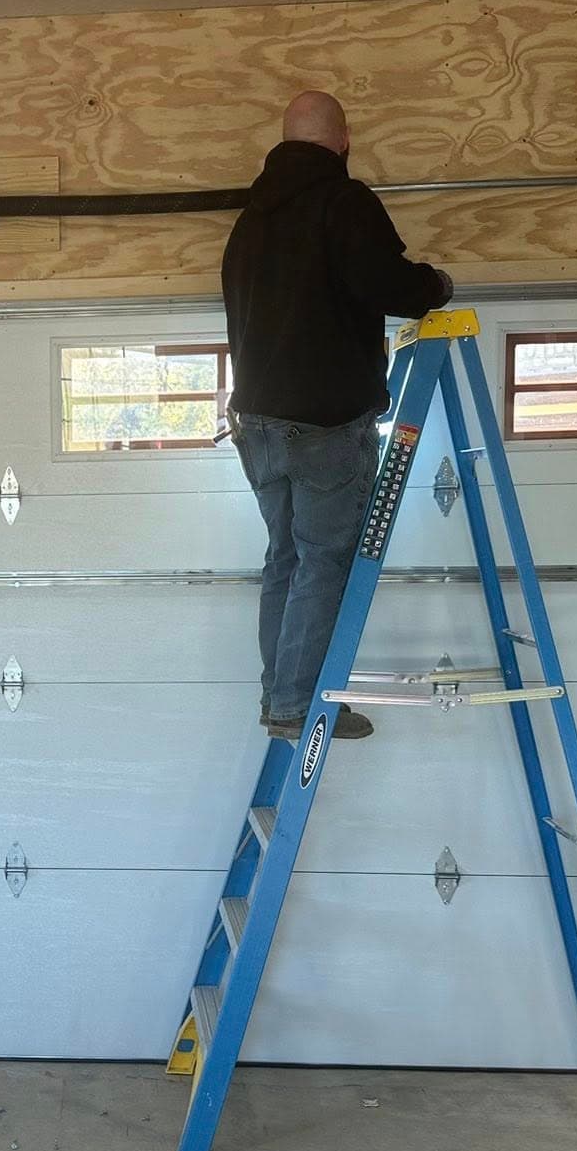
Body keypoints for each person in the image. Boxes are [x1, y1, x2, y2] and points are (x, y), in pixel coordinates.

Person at [222, 90, 453, 744]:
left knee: (286, 560)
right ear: (344, 142)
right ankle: (294, 706)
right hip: (322, 427)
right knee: (323, 563)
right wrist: (437, 285)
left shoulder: (250, 221)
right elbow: (392, 285)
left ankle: (281, 699)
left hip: (258, 427)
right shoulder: (343, 203)